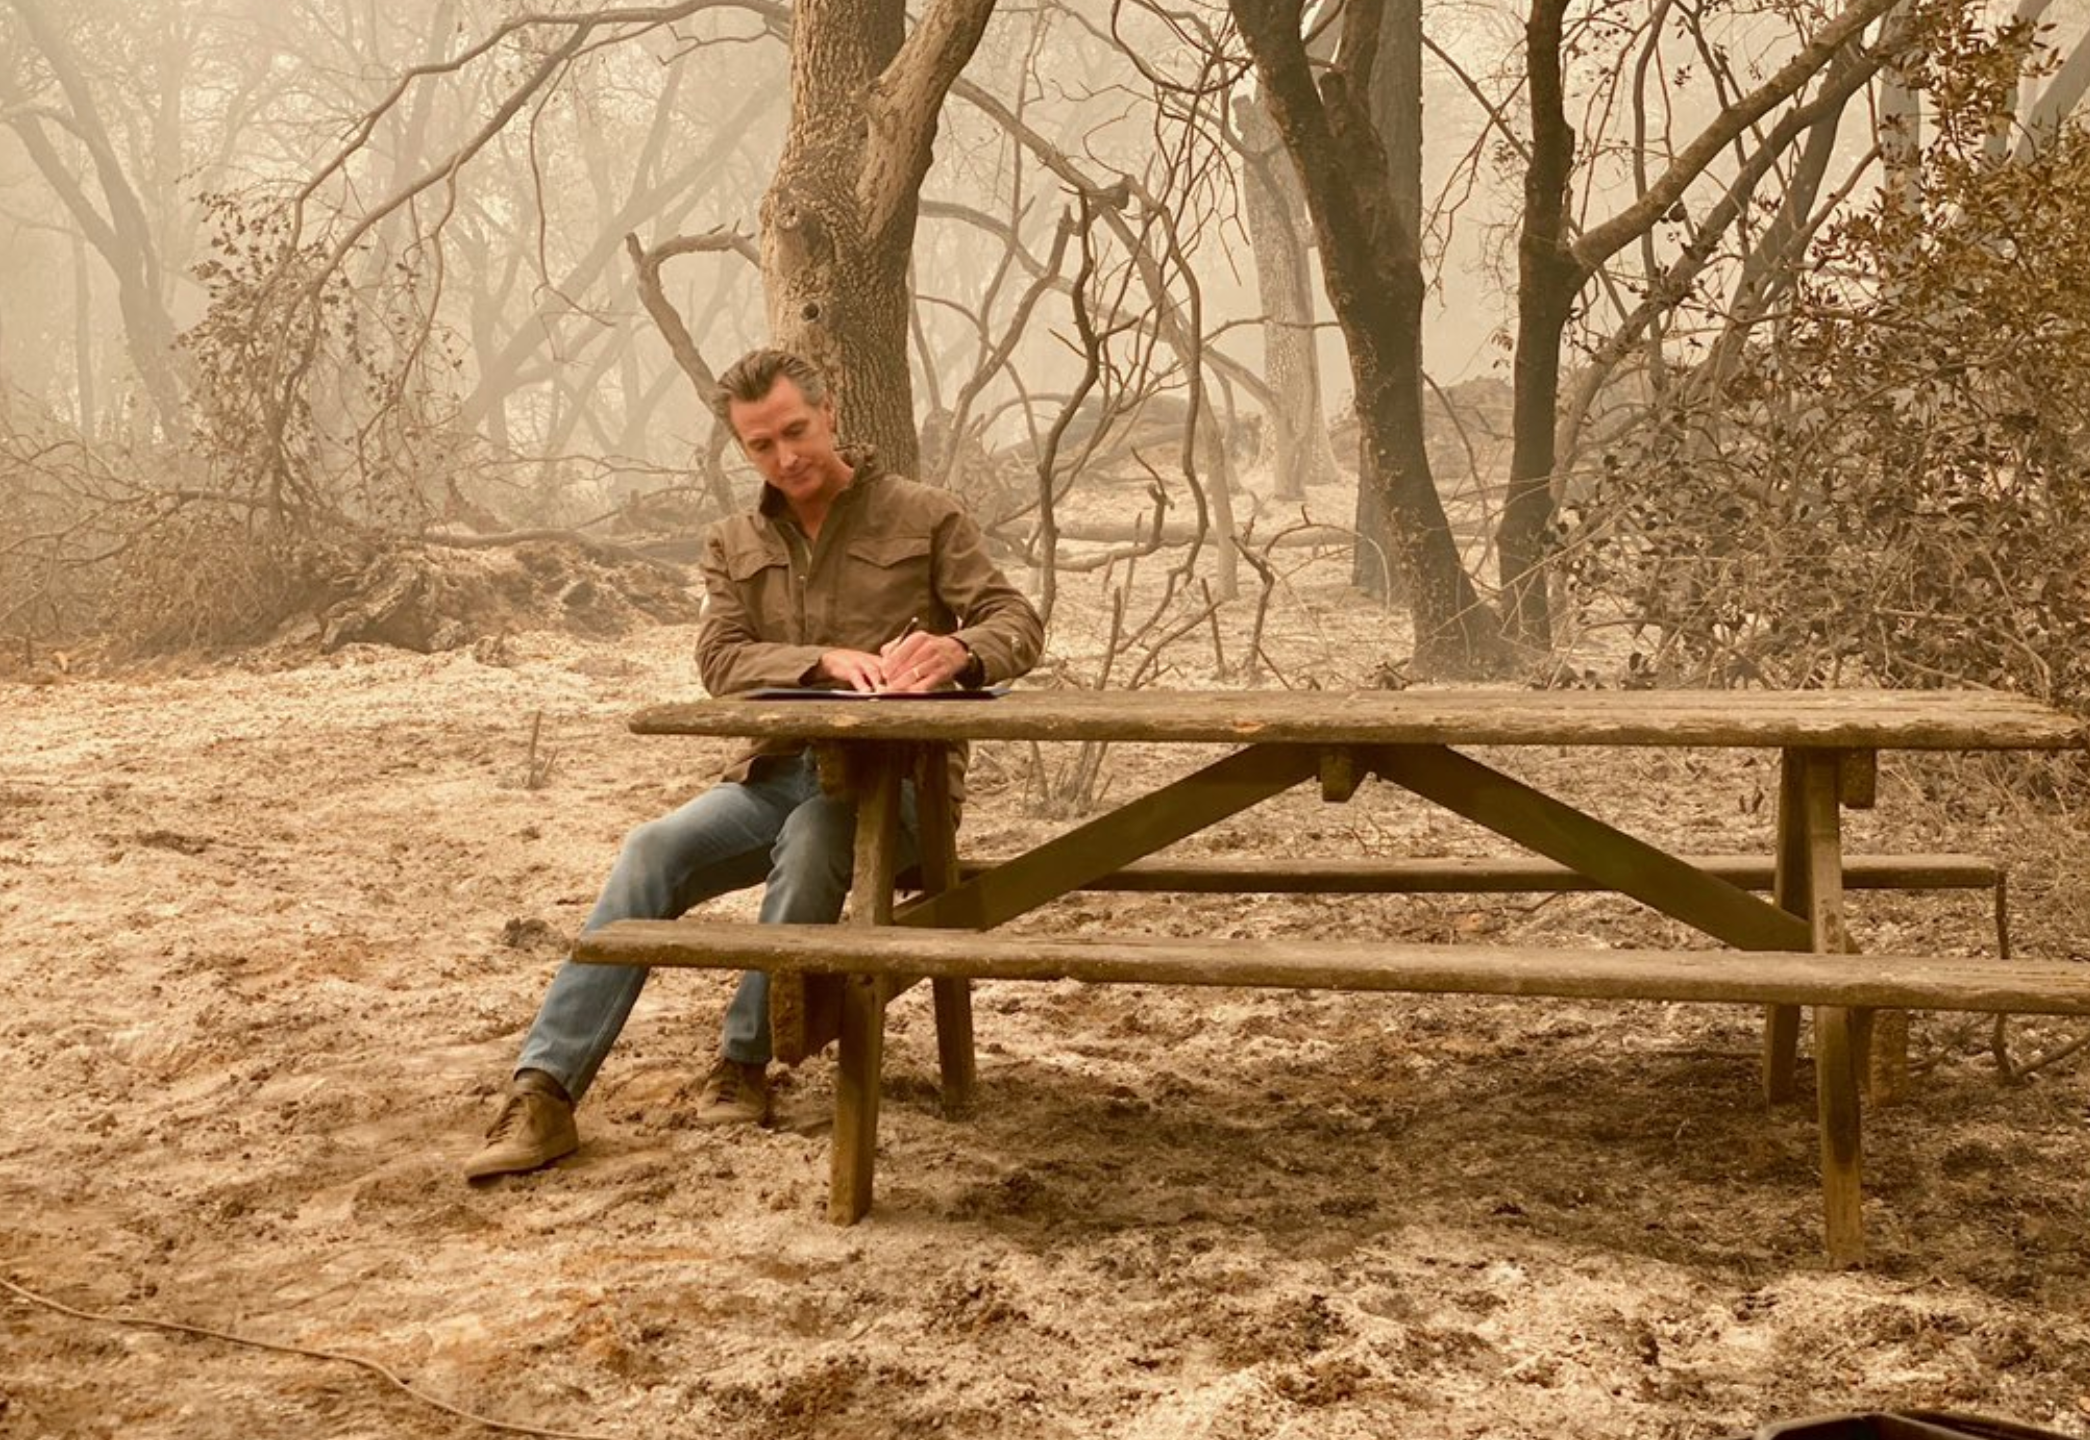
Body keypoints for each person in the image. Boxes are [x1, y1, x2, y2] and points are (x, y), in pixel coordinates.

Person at [464, 347, 1043, 1181]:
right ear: (741, 449)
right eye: (760, 446)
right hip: (772, 776)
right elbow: (720, 659)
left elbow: (1015, 621)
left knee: (814, 839)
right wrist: (822, 662)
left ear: (831, 410)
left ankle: (743, 1061)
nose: (786, 458)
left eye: (796, 432)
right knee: (651, 851)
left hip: (903, 793)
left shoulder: (925, 515)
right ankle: (544, 1092)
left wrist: (958, 649)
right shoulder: (732, 541)